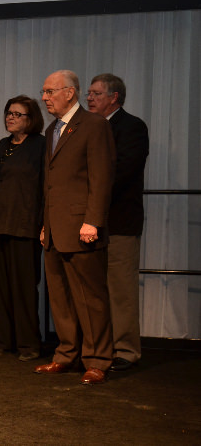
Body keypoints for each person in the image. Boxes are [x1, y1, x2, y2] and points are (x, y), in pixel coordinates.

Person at [36, 70, 115, 385]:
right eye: (43, 91)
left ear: (69, 93)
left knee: (90, 297)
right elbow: (51, 184)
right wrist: (46, 225)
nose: (45, 97)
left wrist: (92, 220)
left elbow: (102, 177)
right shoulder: (51, 129)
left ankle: (97, 360)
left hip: (83, 228)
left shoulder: (94, 126)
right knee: (60, 297)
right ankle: (66, 354)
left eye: (49, 91)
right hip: (55, 229)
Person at [86, 73, 149, 372]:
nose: (89, 98)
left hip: (119, 222)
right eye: (88, 93)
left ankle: (125, 350)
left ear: (114, 97)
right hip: (87, 223)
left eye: (96, 93)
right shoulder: (87, 128)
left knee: (120, 290)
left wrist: (86, 193)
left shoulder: (132, 127)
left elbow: (121, 172)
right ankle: (98, 349)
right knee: (94, 291)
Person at [0, 95, 45, 361]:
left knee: (23, 287)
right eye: (9, 113)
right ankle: (1, 341)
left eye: (18, 114)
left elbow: (45, 187)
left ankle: (28, 345)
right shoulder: (2, 145)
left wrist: (44, 224)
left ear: (31, 120)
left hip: (24, 226)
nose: (10, 117)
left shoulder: (41, 145)